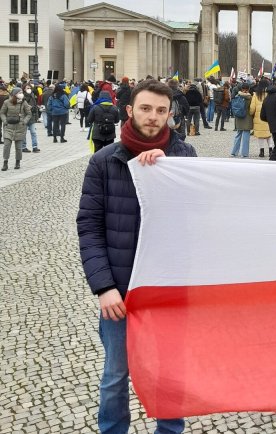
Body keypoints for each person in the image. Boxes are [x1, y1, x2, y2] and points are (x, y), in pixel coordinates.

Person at [77, 79, 197, 434]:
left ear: (170, 114)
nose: (153, 117)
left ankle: (170, 431)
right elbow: (89, 227)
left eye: (161, 110)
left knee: (170, 369)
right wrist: (104, 288)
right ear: (129, 110)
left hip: (168, 287)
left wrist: (168, 170)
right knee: (116, 373)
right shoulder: (103, 161)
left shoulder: (184, 157)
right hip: (121, 290)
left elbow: (199, 213)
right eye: (146, 108)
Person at [0, 88, 31, 170]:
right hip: (8, 127)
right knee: (7, 146)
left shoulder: (24, 102)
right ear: (15, 94)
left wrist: (24, 121)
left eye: (22, 92)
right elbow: (2, 113)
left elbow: (29, 114)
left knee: (18, 147)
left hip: (20, 127)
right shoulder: (7, 102)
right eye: (19, 92)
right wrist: (5, 121)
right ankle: (5, 162)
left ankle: (18, 162)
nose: (21, 94)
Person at [249, 79, 272, 158]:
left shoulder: (256, 95)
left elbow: (252, 108)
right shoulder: (270, 94)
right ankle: (271, 150)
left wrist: (251, 114)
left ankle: (261, 151)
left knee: (260, 135)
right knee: (269, 134)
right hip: (269, 117)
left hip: (258, 117)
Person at [230, 82, 252, 157]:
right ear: (248, 89)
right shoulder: (249, 97)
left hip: (238, 117)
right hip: (247, 118)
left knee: (238, 135)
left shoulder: (237, 96)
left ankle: (234, 152)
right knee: (246, 136)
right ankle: (244, 154)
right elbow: (251, 108)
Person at [21, 83, 40, 153]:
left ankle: (35, 146)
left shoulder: (32, 96)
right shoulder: (21, 96)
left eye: (29, 88)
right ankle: (23, 147)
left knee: (33, 132)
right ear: (24, 89)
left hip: (32, 117)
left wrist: (37, 116)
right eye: (27, 88)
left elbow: (35, 106)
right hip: (24, 117)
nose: (28, 89)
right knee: (24, 133)